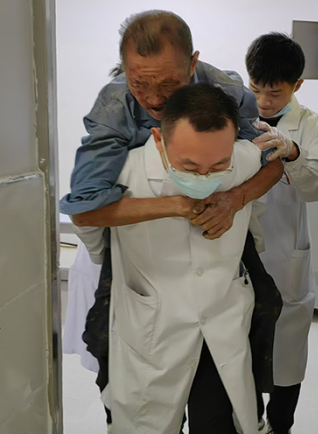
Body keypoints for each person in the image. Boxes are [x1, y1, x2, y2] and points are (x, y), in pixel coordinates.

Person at [60, 11, 283, 430]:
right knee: (140, 412)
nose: (154, 97)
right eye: (140, 83)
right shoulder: (116, 120)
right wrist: (174, 205)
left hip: (222, 302)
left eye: (168, 84)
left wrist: (234, 199)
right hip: (147, 307)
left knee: (222, 412)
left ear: (192, 64)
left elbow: (271, 159)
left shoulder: (231, 99)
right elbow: (84, 210)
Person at [76, 84, 265, 433]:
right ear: (159, 140)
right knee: (148, 421)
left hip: (223, 318)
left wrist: (236, 198)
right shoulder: (126, 172)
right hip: (153, 328)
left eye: (218, 165)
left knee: (220, 421)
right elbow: (86, 220)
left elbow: (272, 166)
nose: (205, 177)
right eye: (189, 165)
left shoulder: (242, 158)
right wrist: (106, 255)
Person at [247, 33, 318, 434]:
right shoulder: (237, 116)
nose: (263, 101)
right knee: (240, 352)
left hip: (285, 256)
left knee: (286, 356)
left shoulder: (313, 126)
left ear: (297, 85)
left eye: (275, 93)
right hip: (240, 253)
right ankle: (250, 422)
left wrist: (293, 152)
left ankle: (281, 426)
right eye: (256, 89)